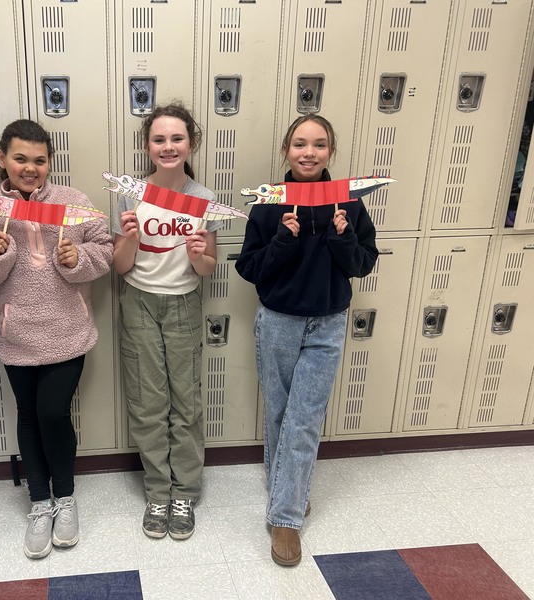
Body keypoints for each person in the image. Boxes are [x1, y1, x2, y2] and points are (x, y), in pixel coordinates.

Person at [0, 119, 112, 559]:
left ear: (50, 162)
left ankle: (64, 499)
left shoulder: (74, 203)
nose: (30, 168)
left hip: (67, 331)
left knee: (52, 411)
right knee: (28, 415)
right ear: (2, 160)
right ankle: (39, 503)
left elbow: (104, 250)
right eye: (20, 159)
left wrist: (78, 257)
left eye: (39, 160)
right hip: (15, 335)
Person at [235, 115, 378, 567]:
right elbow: (249, 269)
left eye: (319, 145)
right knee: (280, 413)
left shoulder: (348, 203)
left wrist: (343, 236)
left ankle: (285, 518)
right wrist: (282, 240)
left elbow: (361, 265)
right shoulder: (268, 204)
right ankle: (289, 491)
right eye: (300, 144)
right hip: (278, 321)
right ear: (286, 150)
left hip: (328, 322)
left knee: (305, 418)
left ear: (330, 152)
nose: (309, 152)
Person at [112, 102, 220, 540]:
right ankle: (158, 489)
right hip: (138, 302)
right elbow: (119, 267)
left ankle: (185, 492)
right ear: (147, 145)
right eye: (159, 139)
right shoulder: (129, 193)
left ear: (190, 143)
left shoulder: (204, 198)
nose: (168, 146)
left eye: (177, 138)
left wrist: (199, 256)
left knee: (186, 402)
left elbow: (208, 267)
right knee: (147, 402)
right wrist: (131, 241)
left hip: (184, 306)